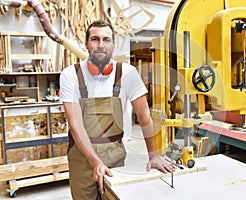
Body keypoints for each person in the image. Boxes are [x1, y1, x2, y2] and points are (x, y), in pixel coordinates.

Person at [59, 19, 175, 200]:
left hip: (114, 156)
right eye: (95, 39)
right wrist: (95, 162)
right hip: (81, 158)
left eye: (106, 40)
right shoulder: (70, 75)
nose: (100, 45)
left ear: (113, 45)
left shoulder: (127, 73)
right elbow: (76, 126)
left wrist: (153, 154)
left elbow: (144, 117)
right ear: (86, 44)